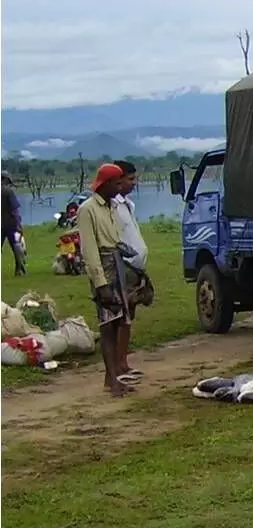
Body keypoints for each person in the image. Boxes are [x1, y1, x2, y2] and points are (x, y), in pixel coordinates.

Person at [75, 163, 134, 396]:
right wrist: (101, 284)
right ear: (106, 183)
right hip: (104, 268)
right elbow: (89, 250)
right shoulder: (87, 209)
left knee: (120, 321)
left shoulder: (112, 206)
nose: (121, 187)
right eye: (117, 183)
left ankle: (112, 378)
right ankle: (112, 380)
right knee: (107, 325)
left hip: (117, 264)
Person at [111, 161, 153, 378]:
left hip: (135, 268)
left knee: (129, 316)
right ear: (118, 180)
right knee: (120, 317)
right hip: (122, 268)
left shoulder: (128, 205)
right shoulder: (112, 207)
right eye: (130, 179)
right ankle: (117, 365)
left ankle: (124, 362)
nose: (134, 183)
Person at [2, 171, 24, 275]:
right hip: (10, 224)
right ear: (6, 179)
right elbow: (14, 210)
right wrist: (19, 224)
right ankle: (19, 269)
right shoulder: (8, 191)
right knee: (16, 246)